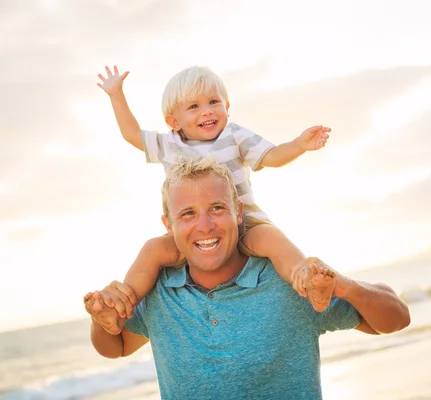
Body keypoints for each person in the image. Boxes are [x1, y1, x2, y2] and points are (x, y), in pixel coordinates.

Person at [84, 156, 411, 400]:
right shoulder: (160, 292)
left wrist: (344, 286)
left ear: (238, 213)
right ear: (168, 225)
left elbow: (395, 318)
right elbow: (118, 346)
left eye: (216, 208)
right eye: (187, 214)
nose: (205, 226)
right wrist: (104, 322)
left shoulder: (289, 284)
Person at [96, 65, 335, 315]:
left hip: (245, 225)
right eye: (194, 107)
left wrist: (299, 145)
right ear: (173, 121)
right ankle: (120, 304)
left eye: (213, 102)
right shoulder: (169, 145)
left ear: (227, 107)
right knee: (152, 250)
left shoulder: (234, 136)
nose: (207, 111)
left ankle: (307, 279)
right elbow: (132, 134)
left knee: (273, 239)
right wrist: (116, 95)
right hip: (193, 232)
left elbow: (271, 156)